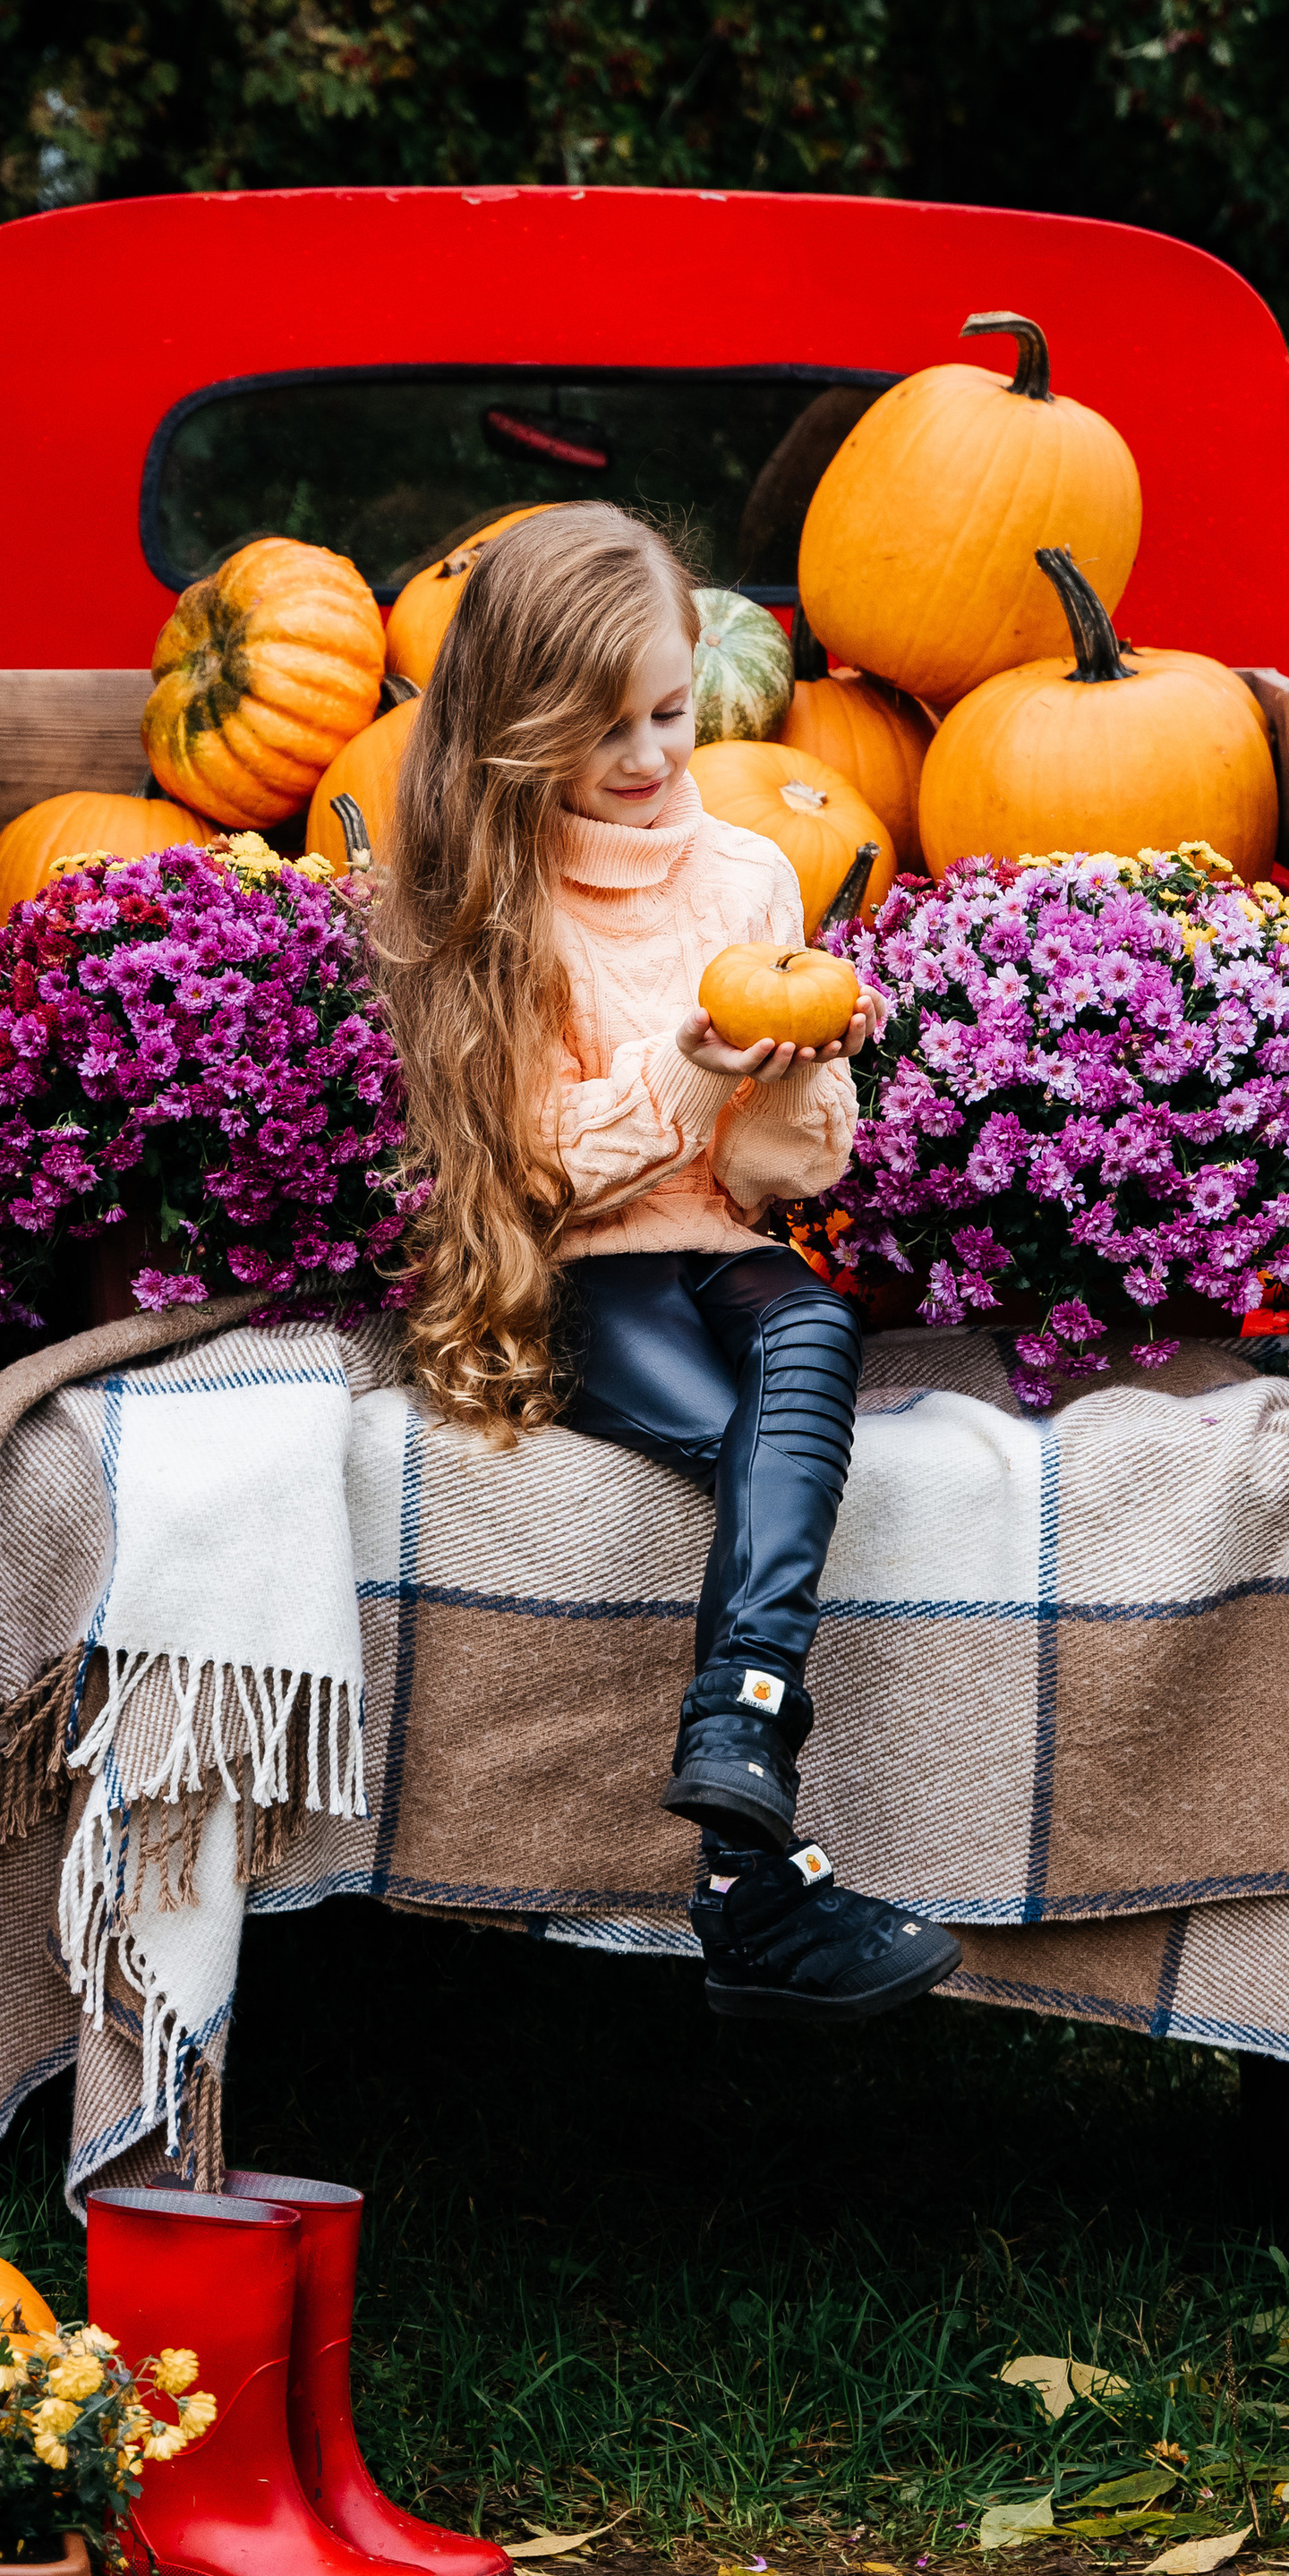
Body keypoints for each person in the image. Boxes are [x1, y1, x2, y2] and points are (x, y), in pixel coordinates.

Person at [375, 501, 960, 2023]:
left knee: (811, 1331)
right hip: (567, 1269)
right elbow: (526, 1166)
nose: (648, 756)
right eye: (607, 727)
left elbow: (772, 1175)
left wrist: (812, 1068)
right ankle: (754, 1883)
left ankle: (741, 1737)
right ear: (521, 725)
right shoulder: (490, 899)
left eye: (671, 715)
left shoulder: (755, 875)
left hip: (718, 1248)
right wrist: (694, 1070)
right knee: (754, 1452)